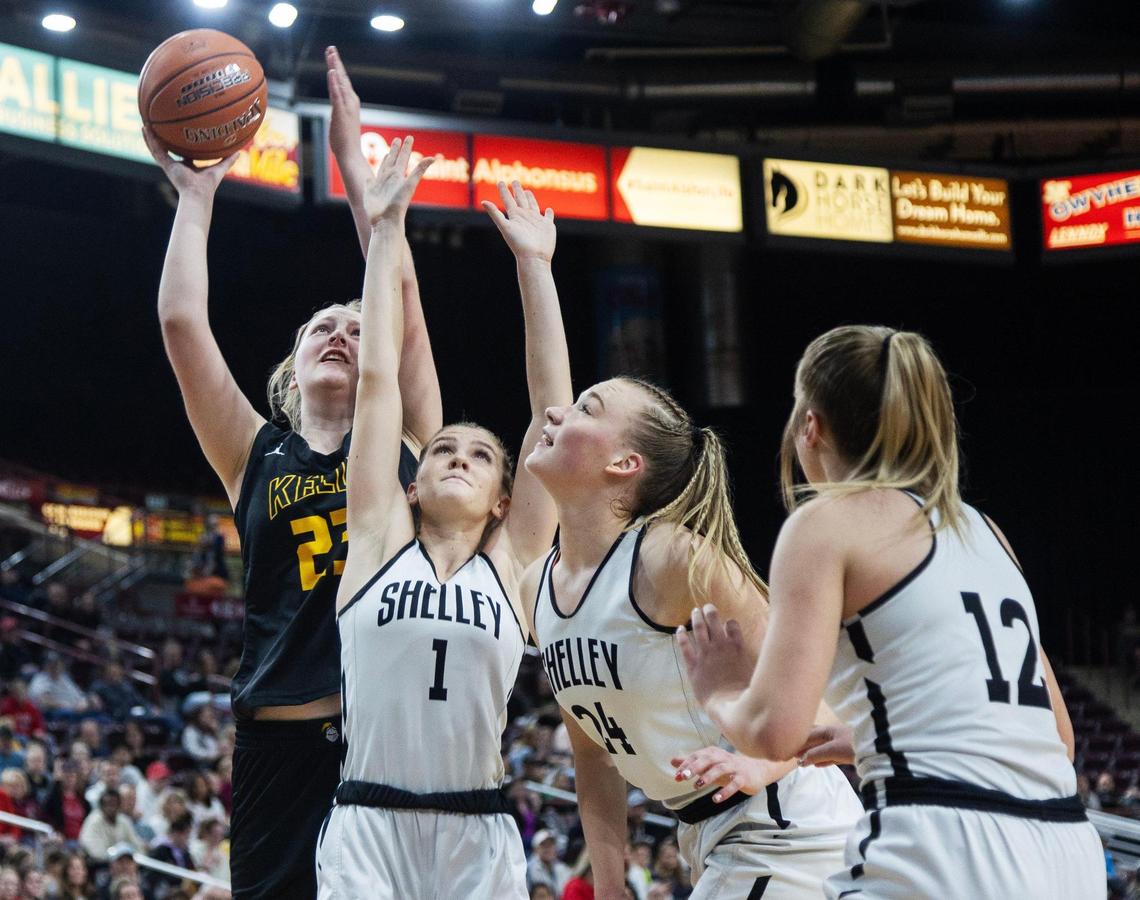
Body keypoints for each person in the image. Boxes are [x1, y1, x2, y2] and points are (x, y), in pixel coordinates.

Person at [142, 39, 443, 898]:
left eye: (356, 326)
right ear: (293, 366)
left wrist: (359, 174)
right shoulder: (254, 451)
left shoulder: (409, 437)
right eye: (323, 327)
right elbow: (180, 325)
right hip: (279, 745)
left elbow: (404, 309)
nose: (343, 333)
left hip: (388, 740)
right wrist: (196, 197)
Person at [678, 325, 1105, 898]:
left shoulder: (826, 522)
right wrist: (868, 736)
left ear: (811, 426)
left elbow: (773, 733)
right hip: (1067, 850)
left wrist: (720, 689)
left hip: (940, 843)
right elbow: (1058, 737)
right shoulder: (984, 531)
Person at [313, 121, 571, 897]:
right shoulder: (378, 535)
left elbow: (552, 412)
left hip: (478, 830)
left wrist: (535, 266)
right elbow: (379, 382)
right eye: (441, 451)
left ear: (503, 499)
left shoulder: (513, 561)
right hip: (368, 824)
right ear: (413, 484)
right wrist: (385, 229)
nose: (457, 455)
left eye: (481, 455)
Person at [521, 372, 862, 898]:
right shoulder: (535, 589)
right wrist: (609, 889)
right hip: (707, 836)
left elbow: (813, 695)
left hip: (788, 826)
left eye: (586, 409)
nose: (555, 413)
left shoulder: (673, 559)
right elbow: (592, 756)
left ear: (624, 464)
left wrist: (758, 763)